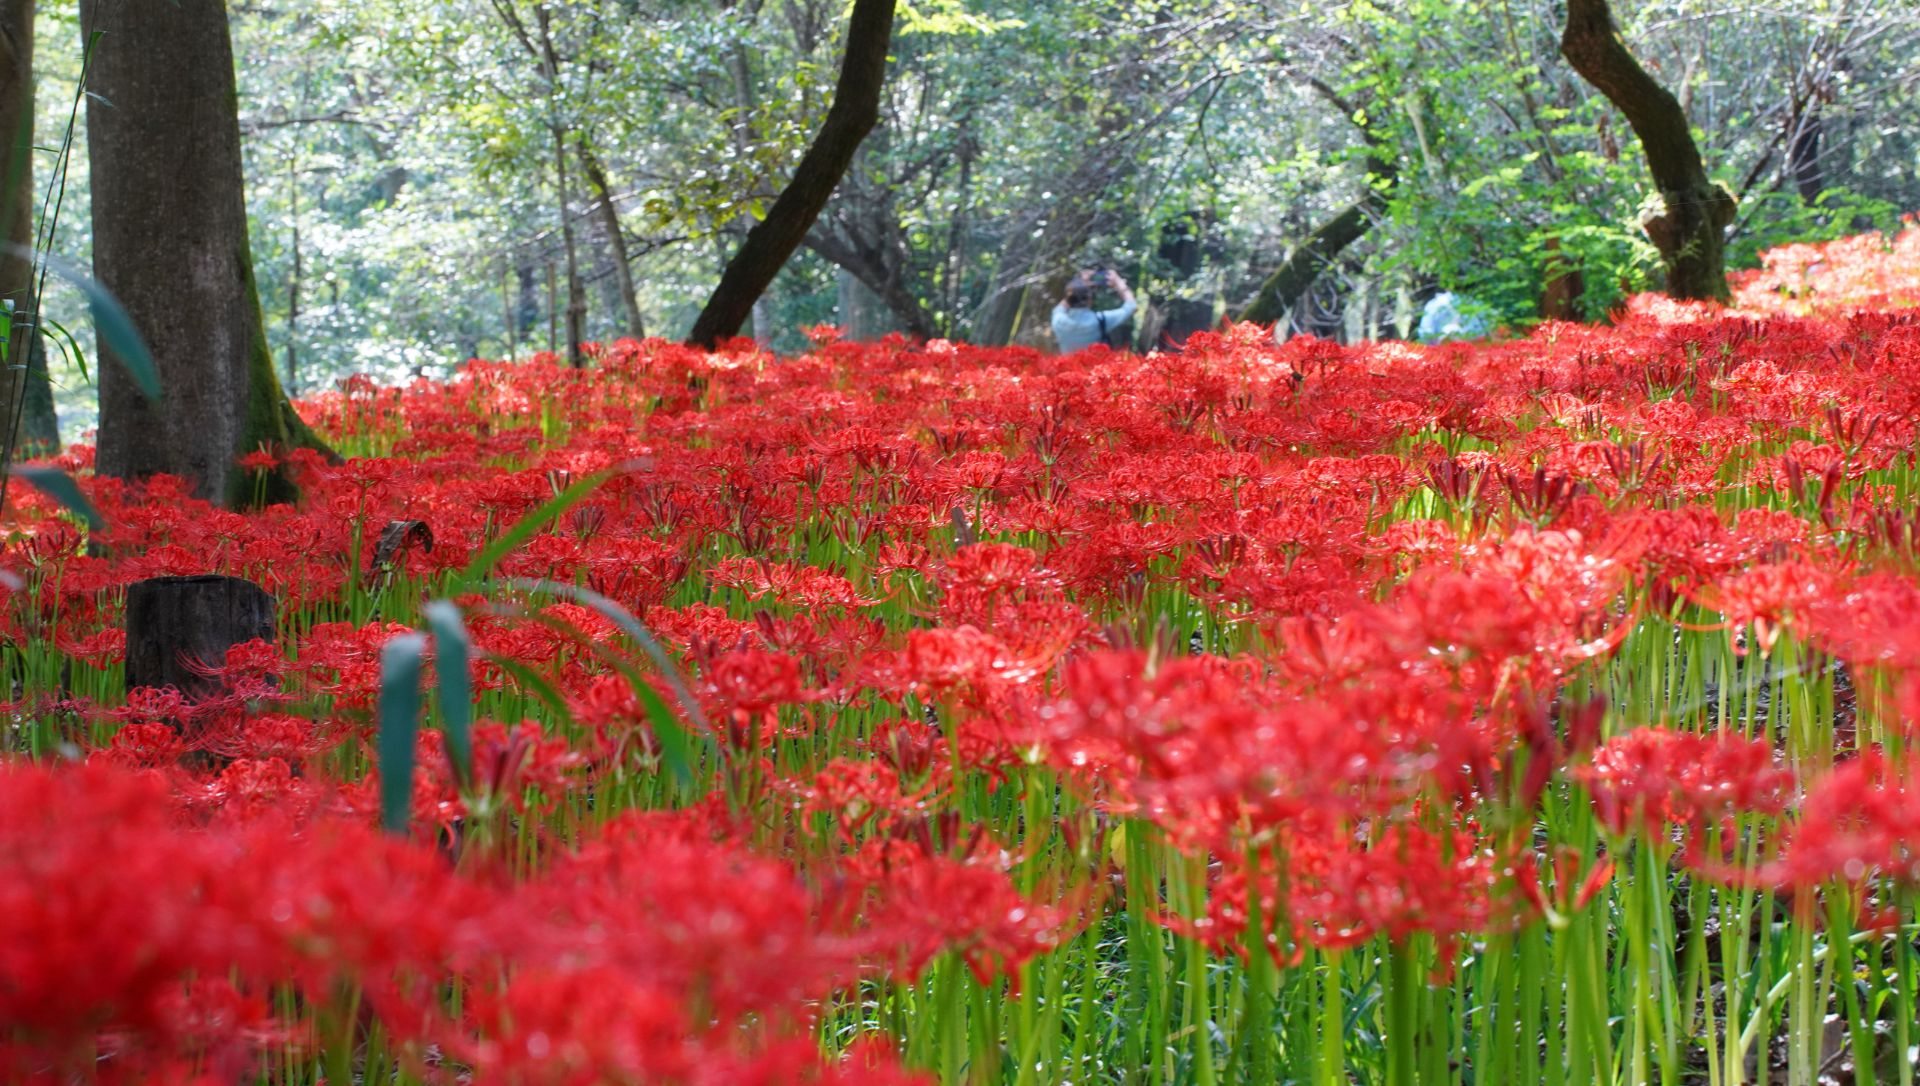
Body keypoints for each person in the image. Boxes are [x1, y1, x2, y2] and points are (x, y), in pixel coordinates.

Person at [1051, 268, 1136, 353]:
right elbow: (1131, 306)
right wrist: (1118, 282)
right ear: (1089, 299)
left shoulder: (1058, 320)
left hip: (1067, 365)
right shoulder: (1099, 321)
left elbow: (1065, 302)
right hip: (1094, 365)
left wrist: (1079, 285)